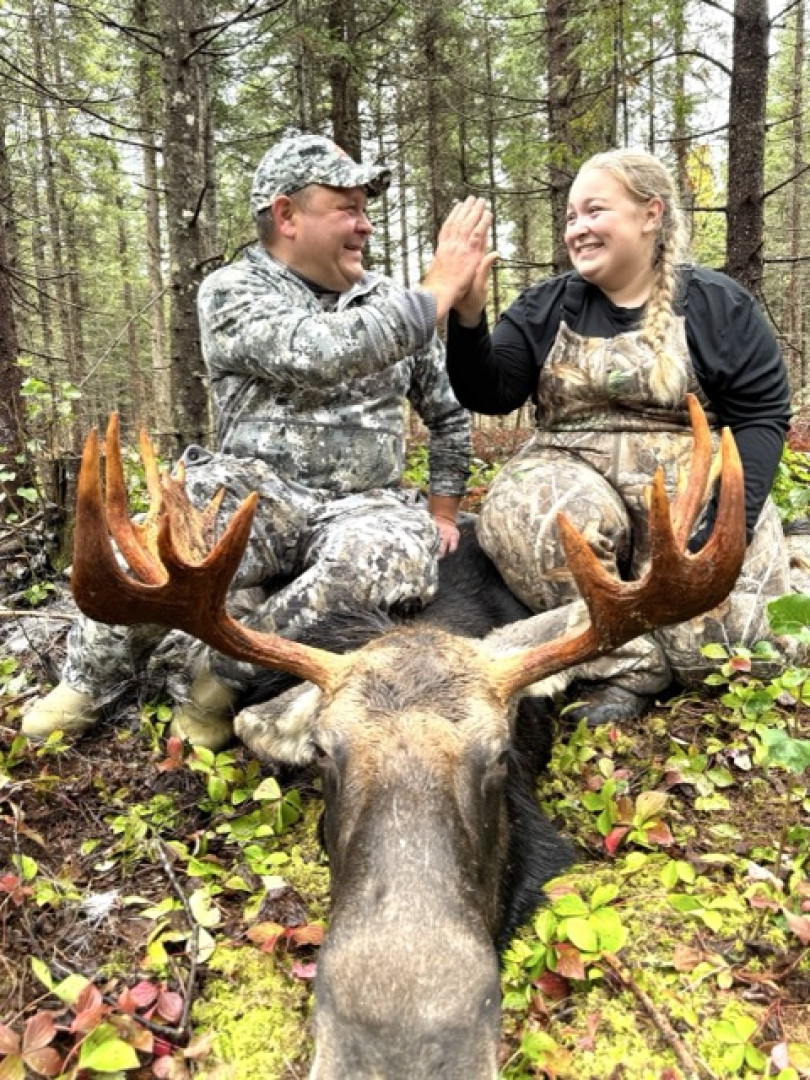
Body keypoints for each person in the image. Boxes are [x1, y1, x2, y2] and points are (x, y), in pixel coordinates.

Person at [22, 133, 492, 749]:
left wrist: (444, 507)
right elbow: (322, 353)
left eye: (366, 210)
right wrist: (435, 293)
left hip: (366, 503)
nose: (366, 226)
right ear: (286, 215)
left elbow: (448, 414)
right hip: (255, 489)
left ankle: (218, 681)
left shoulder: (390, 302)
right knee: (168, 533)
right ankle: (88, 678)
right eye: (347, 208)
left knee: (394, 557)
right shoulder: (234, 291)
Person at [442, 148, 794, 725]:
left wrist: (720, 529)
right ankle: (626, 664)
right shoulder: (544, 305)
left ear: (650, 214)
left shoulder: (718, 304)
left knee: (730, 656)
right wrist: (469, 317)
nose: (576, 228)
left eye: (593, 211)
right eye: (571, 217)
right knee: (531, 511)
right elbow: (490, 391)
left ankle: (753, 582)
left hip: (684, 496)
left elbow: (759, 418)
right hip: (570, 476)